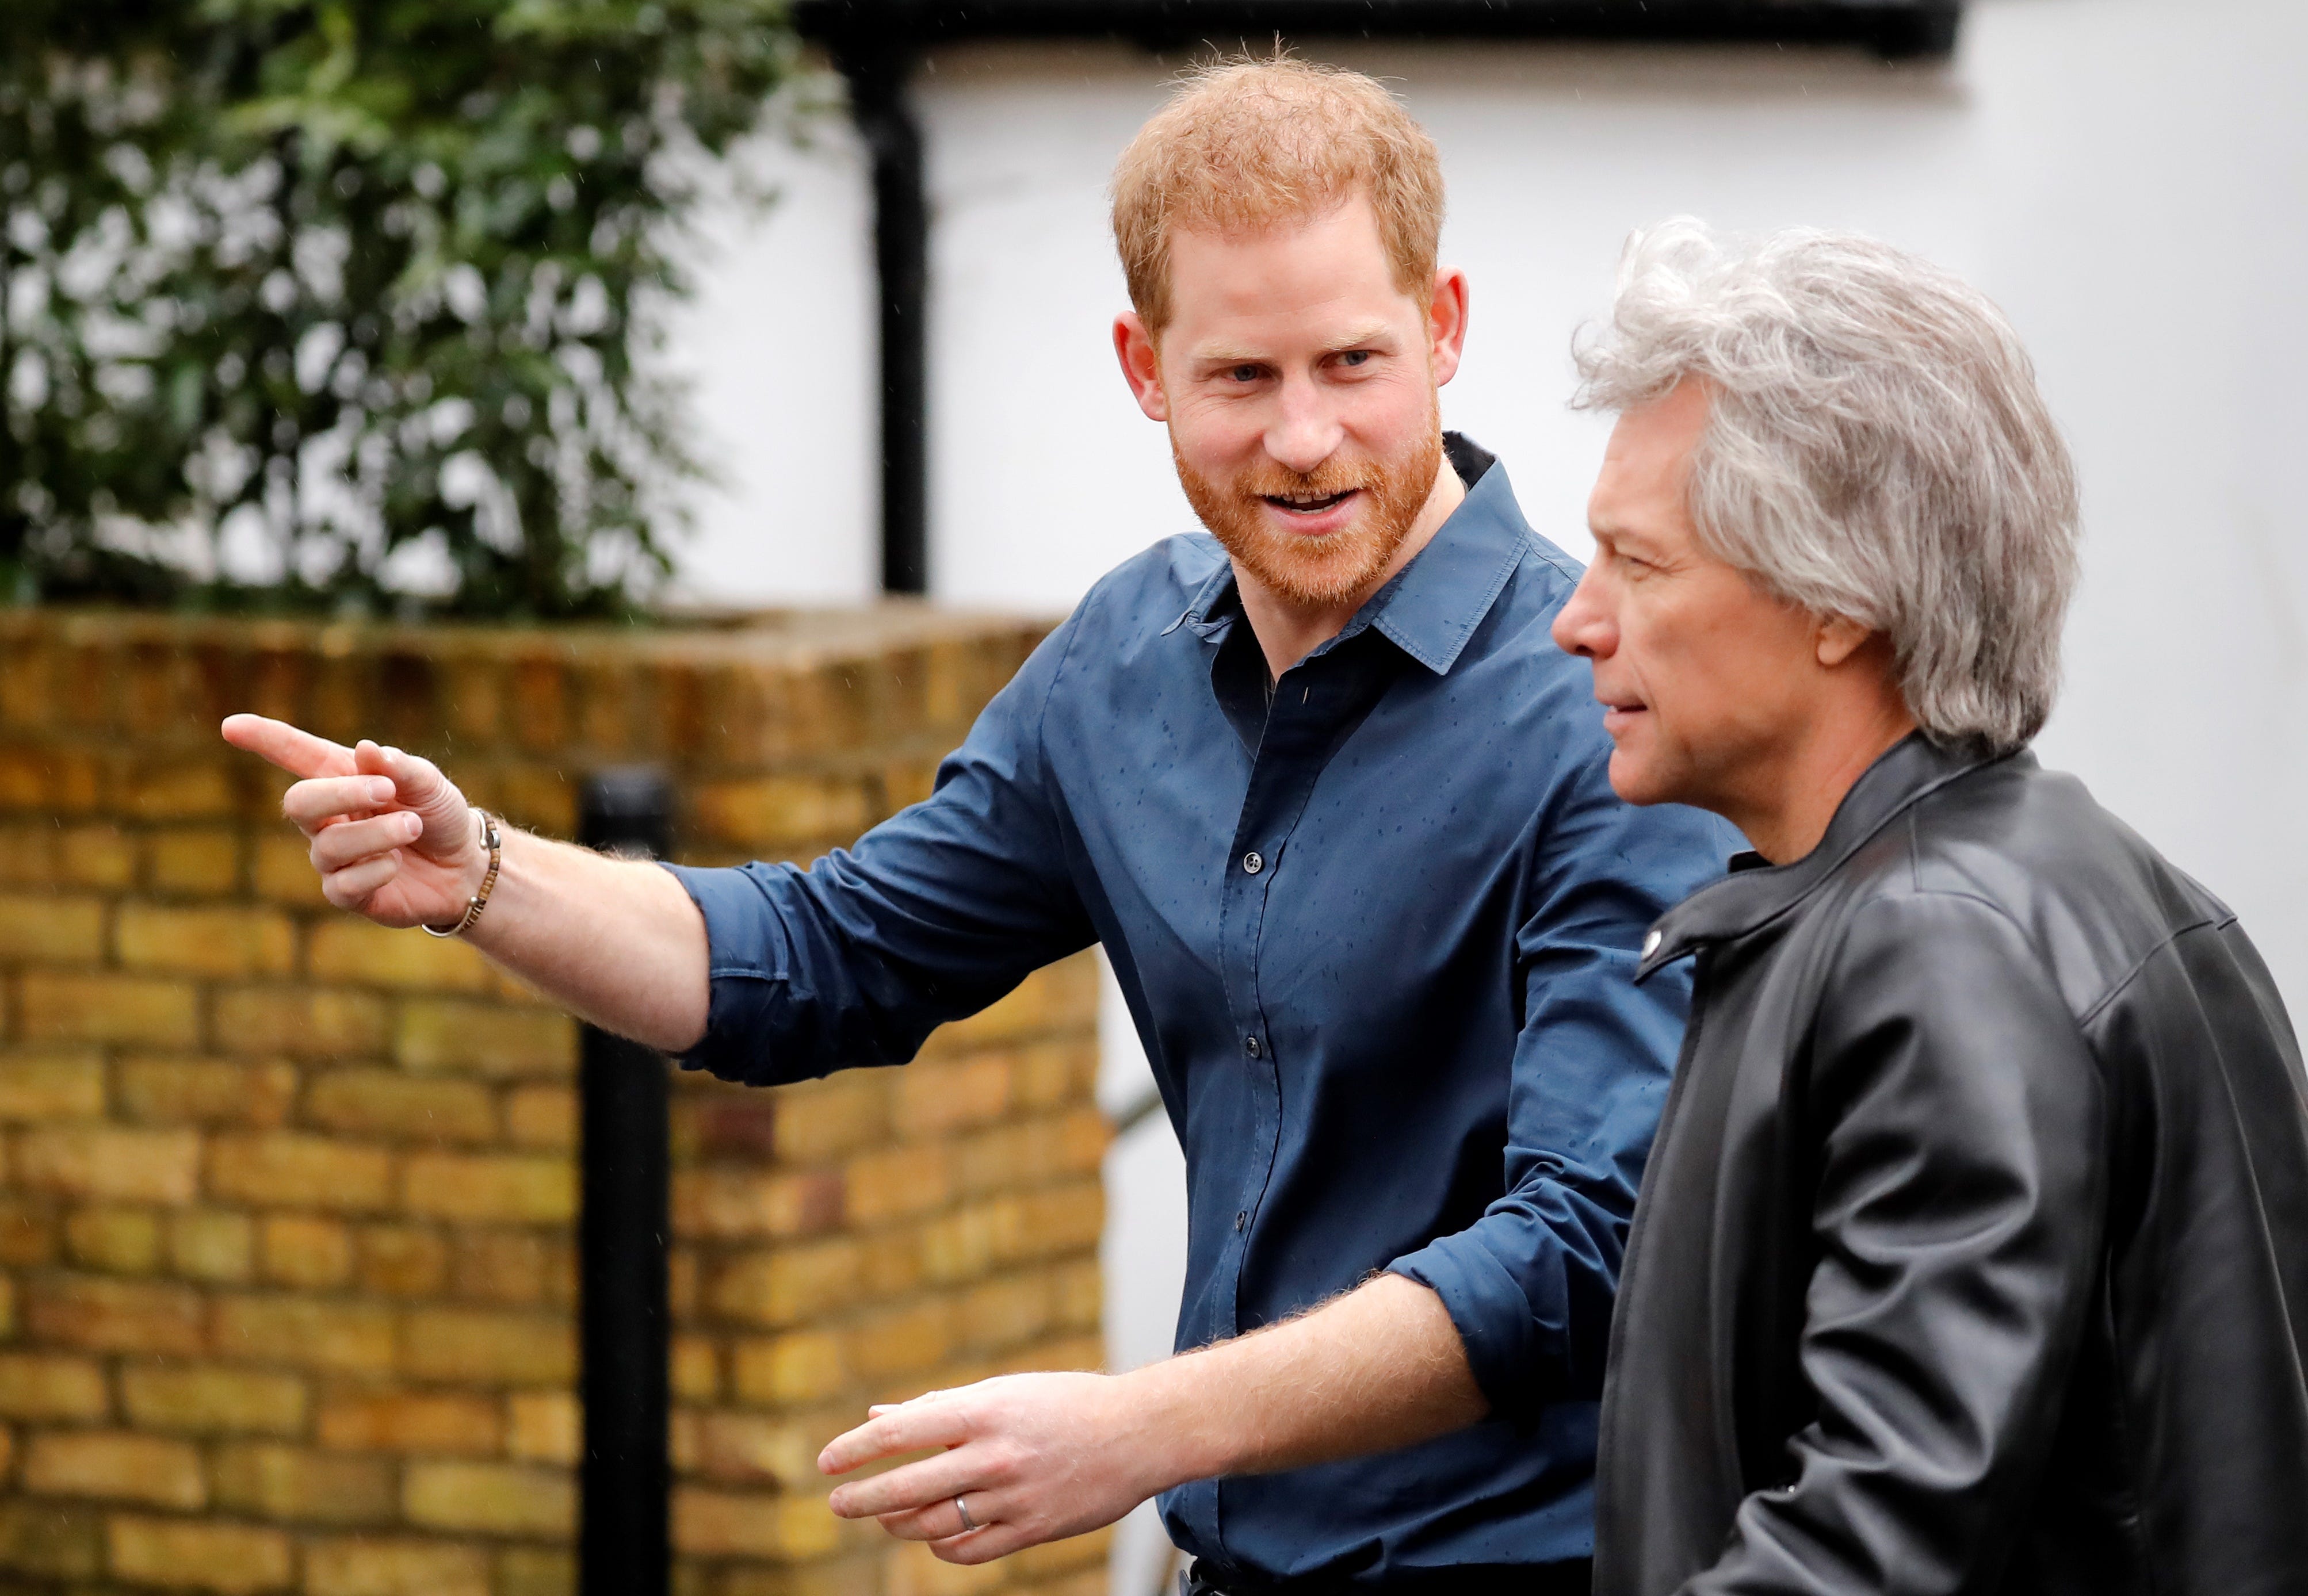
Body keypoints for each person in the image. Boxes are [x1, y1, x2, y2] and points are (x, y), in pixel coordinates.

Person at [224, 60, 1736, 1592]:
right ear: (1142, 367)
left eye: (1352, 362)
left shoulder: (1594, 706)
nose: (1302, 438)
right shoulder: (1126, 661)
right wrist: (481, 871)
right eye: (1239, 378)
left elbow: (1586, 1254)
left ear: (1446, 327)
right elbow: (819, 957)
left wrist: (1145, 1431)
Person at [1551, 219, 2308, 1596]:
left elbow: (1879, 1536)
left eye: (1638, 563)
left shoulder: (1941, 948)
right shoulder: (2062, 890)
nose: (1577, 619)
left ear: (1839, 601)